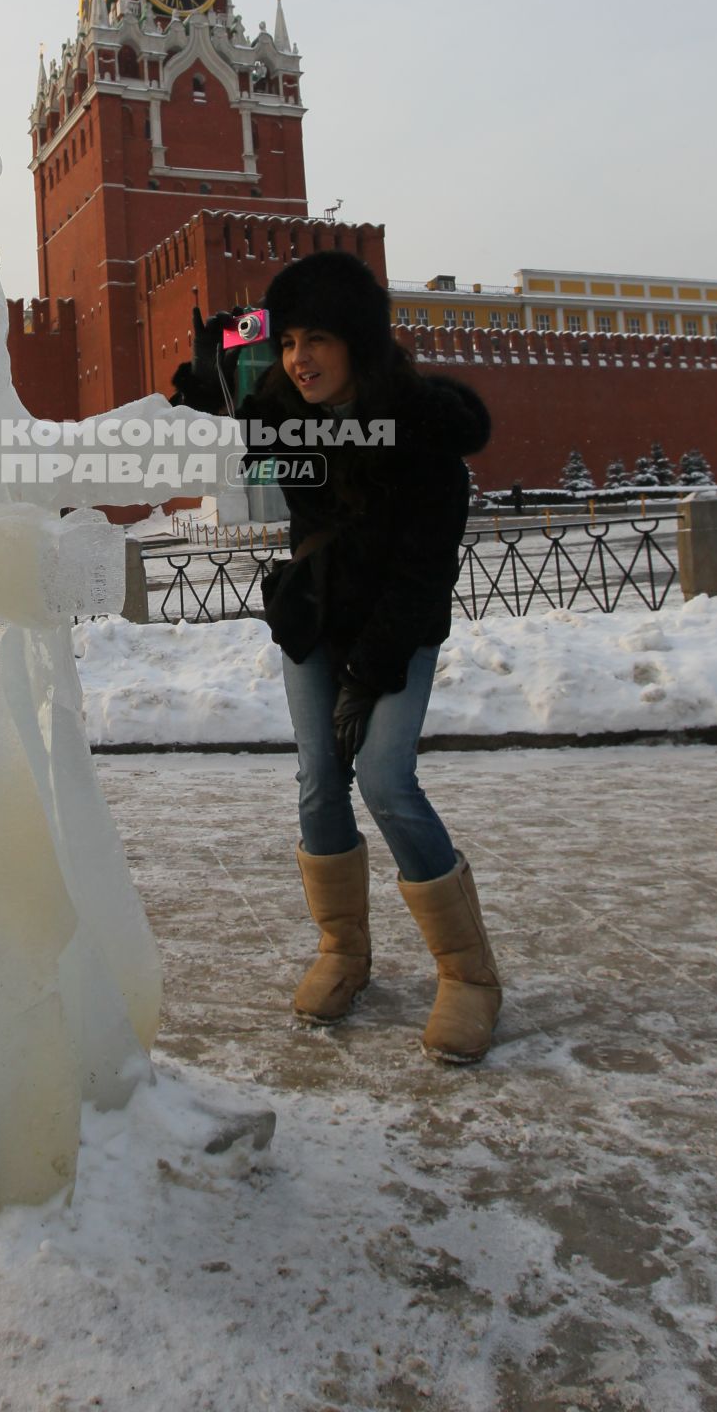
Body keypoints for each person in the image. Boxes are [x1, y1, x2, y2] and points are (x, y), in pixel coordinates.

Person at [173, 252, 501, 1064]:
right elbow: (236, 417)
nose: (298, 359)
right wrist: (206, 384)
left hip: (398, 623)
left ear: (358, 341)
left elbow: (424, 575)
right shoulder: (286, 412)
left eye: (316, 339)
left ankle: (468, 975)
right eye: (287, 342)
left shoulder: (423, 435)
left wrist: (368, 674)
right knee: (321, 780)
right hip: (316, 617)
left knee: (386, 777)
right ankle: (344, 953)